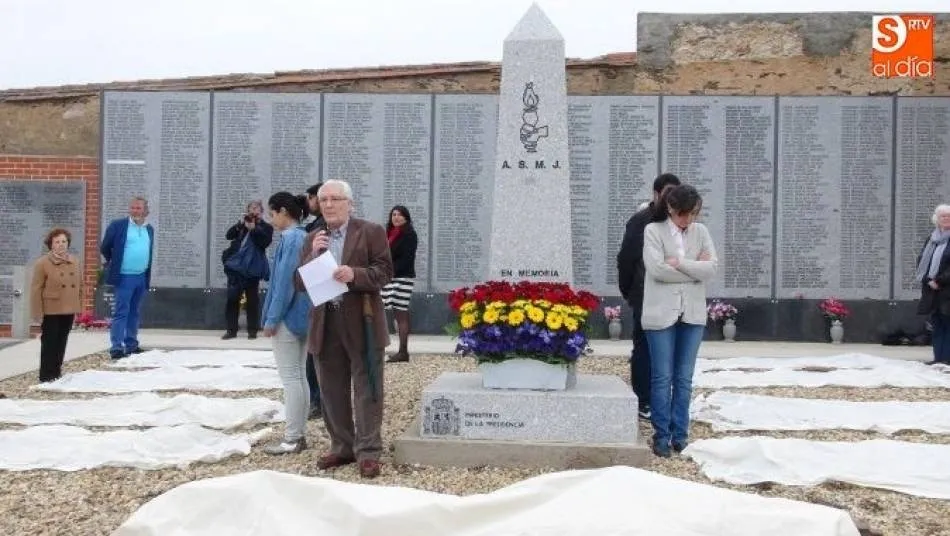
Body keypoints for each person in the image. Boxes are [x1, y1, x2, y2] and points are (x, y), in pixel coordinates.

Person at [295, 179, 393, 479]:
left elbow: (385, 272)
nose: (328, 205)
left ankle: (368, 451)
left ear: (350, 203)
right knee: (331, 389)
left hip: (362, 320)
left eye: (335, 199)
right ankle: (342, 446)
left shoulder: (371, 231)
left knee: (367, 388)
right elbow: (299, 284)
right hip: (326, 322)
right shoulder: (312, 237)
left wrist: (355, 274)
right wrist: (313, 256)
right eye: (323, 200)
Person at [641, 184, 717, 457]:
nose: (688, 220)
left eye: (693, 214)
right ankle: (661, 435)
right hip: (660, 313)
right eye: (683, 214)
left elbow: (711, 269)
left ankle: (680, 434)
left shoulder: (702, 232)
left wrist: (680, 263)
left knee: (684, 378)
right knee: (662, 377)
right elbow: (657, 270)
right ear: (671, 208)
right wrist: (694, 267)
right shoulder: (653, 231)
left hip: (693, 313)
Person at [616, 173, 681, 419]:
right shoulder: (640, 222)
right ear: (656, 194)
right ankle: (643, 399)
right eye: (667, 193)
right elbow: (626, 259)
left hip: (673, 295)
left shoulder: (679, 222)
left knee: (669, 347)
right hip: (646, 295)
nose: (671, 199)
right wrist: (629, 291)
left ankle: (663, 398)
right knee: (644, 348)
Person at [259, 192, 314, 454]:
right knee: (299, 375)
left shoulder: (291, 239)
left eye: (272, 213)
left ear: (283, 211)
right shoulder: (303, 237)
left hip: (289, 317)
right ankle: (297, 434)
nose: (271, 219)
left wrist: (272, 318)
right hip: (304, 315)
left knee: (291, 377)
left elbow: (283, 283)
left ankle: (293, 437)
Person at [100, 197, 155, 360]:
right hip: (125, 276)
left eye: (138, 208)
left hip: (141, 276)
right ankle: (116, 347)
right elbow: (105, 247)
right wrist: (115, 261)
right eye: (132, 208)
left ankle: (131, 345)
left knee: (134, 312)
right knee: (121, 311)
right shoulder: (118, 225)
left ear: (145, 210)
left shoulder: (149, 229)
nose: (135, 211)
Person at [30, 228, 83, 382]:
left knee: (62, 341)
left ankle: (56, 372)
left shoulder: (74, 261)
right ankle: (46, 375)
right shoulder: (42, 263)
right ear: (51, 245)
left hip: (68, 308)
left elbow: (80, 285)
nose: (61, 245)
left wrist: (78, 306)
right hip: (51, 309)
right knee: (49, 343)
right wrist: (38, 313)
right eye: (57, 242)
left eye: (64, 241)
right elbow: (36, 289)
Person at [221, 200, 273, 340]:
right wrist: (240, 225)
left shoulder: (266, 227)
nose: (253, 211)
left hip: (252, 269)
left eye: (256, 209)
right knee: (232, 299)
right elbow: (228, 235)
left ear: (261, 212)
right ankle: (231, 330)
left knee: (252, 301)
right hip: (236, 269)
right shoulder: (242, 225)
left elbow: (265, 242)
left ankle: (252, 331)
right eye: (250, 208)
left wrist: (254, 229)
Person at [382, 205, 418, 363]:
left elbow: (407, 259)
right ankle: (383, 347)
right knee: (389, 311)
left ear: (406, 218)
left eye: (400, 215)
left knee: (400, 313)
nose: (396, 217)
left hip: (402, 278)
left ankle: (403, 351)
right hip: (389, 277)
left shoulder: (409, 234)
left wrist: (389, 273)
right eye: (394, 214)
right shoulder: (389, 233)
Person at [915, 204, 950, 365]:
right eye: (943, 216)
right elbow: (922, 261)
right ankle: (938, 358)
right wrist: (928, 280)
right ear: (937, 219)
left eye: (949, 216)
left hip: (946, 289)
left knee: (948, 324)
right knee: (937, 324)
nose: (946, 219)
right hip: (932, 291)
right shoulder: (932, 239)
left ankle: (947, 359)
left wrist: (939, 280)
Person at [302, 182, 325, 417]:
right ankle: (318, 400)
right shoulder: (314, 228)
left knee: (315, 353)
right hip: (316, 296)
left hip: (323, 299)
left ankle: (318, 401)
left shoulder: (319, 229)